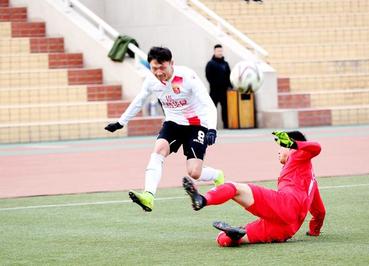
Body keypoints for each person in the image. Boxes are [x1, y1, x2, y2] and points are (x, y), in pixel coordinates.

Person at [105, 46, 224, 212]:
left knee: (194, 173)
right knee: (158, 150)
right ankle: (148, 196)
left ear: (171, 64)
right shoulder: (151, 81)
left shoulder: (186, 76)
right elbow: (139, 101)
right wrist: (120, 122)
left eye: (163, 68)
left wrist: (212, 129)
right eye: (154, 68)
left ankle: (216, 175)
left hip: (196, 124)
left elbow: (208, 103)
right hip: (173, 123)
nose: (159, 72)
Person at [183, 130, 326, 246]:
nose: (278, 151)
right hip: (287, 228)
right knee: (223, 239)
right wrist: (314, 231)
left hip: (284, 204)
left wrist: (294, 144)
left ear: (290, 147)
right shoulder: (310, 178)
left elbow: (317, 147)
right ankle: (236, 234)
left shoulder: (297, 155)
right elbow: (320, 212)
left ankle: (202, 199)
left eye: (281, 146)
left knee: (233, 187)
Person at [205, 44, 232, 129]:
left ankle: (226, 125)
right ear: (214, 51)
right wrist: (217, 84)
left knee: (225, 109)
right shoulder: (210, 64)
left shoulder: (225, 64)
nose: (220, 52)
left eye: (221, 51)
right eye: (218, 51)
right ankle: (211, 127)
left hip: (224, 91)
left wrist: (230, 86)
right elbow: (208, 77)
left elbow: (229, 76)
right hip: (214, 91)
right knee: (212, 110)